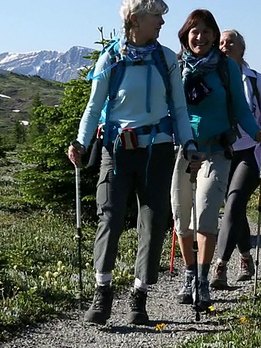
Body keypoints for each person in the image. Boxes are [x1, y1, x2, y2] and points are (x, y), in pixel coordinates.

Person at [68, 0, 197, 326]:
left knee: (153, 223)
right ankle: (103, 290)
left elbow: (179, 109)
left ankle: (139, 295)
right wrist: (81, 143)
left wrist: (190, 145)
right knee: (109, 216)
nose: (162, 24)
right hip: (116, 150)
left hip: (159, 149)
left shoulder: (167, 59)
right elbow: (94, 106)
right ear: (137, 19)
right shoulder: (110, 58)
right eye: (158, 17)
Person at [170, 9, 261, 310]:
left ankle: (202, 280)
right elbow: (167, 109)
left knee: (204, 213)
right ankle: (189, 274)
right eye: (194, 31)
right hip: (183, 152)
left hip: (216, 151)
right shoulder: (175, 68)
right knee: (181, 219)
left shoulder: (226, 68)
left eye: (205, 31)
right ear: (186, 35)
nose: (200, 37)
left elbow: (241, 110)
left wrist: (258, 135)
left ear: (214, 36)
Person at [210, 29, 261, 289]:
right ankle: (245, 258)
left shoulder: (254, 80)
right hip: (221, 151)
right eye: (221, 42)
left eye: (230, 41)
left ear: (242, 49)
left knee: (233, 203)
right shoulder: (212, 77)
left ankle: (219, 265)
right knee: (235, 207)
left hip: (250, 151)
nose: (224, 45)